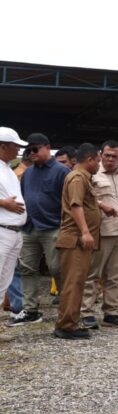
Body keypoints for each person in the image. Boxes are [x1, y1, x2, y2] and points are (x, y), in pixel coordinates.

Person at [8, 133, 70, 326]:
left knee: (57, 268)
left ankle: (66, 308)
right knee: (27, 269)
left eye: (35, 149)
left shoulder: (62, 172)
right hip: (29, 227)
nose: (31, 153)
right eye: (28, 150)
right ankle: (30, 310)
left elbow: (69, 202)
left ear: (47, 147)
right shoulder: (28, 173)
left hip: (53, 227)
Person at [80, 141, 118, 329]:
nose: (110, 159)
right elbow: (87, 197)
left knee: (114, 275)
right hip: (101, 231)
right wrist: (102, 205)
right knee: (93, 274)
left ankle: (111, 312)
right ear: (101, 154)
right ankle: (86, 312)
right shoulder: (92, 174)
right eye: (107, 155)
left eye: (114, 156)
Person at [54, 143, 102, 340]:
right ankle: (66, 326)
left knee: (77, 282)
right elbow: (75, 206)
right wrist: (85, 232)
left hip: (78, 241)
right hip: (75, 240)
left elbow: (84, 203)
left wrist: (102, 207)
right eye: (98, 161)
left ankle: (70, 322)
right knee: (73, 283)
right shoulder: (77, 177)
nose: (99, 165)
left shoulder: (82, 178)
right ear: (90, 160)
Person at [0, 128, 28, 334]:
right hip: (2, 231)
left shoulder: (8, 169)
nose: (18, 150)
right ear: (2, 146)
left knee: (5, 280)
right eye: (15, 146)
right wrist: (2, 202)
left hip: (14, 232)